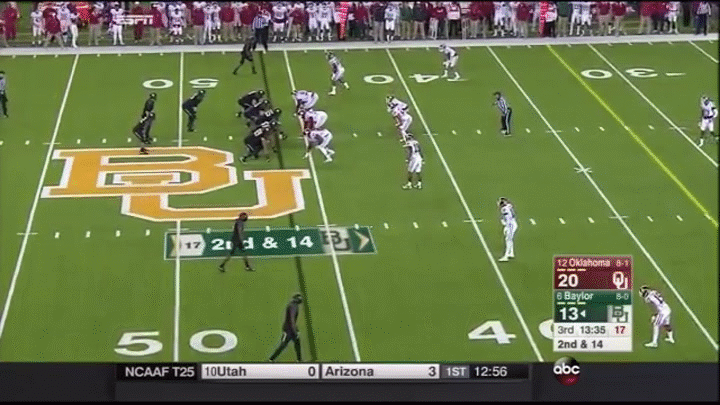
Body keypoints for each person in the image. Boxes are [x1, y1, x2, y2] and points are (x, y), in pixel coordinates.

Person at [268, 293, 304, 362]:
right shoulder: (293, 307)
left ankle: (299, 360)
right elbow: (291, 320)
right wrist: (295, 331)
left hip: (291, 329)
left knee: (297, 344)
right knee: (283, 345)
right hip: (289, 330)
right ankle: (271, 359)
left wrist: (295, 329)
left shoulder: (293, 305)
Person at [497, 197, 517, 262]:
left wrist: (506, 226)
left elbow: (508, 218)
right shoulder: (508, 206)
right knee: (510, 239)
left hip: (510, 225)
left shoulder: (504, 209)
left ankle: (506, 256)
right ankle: (511, 253)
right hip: (513, 224)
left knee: (508, 240)